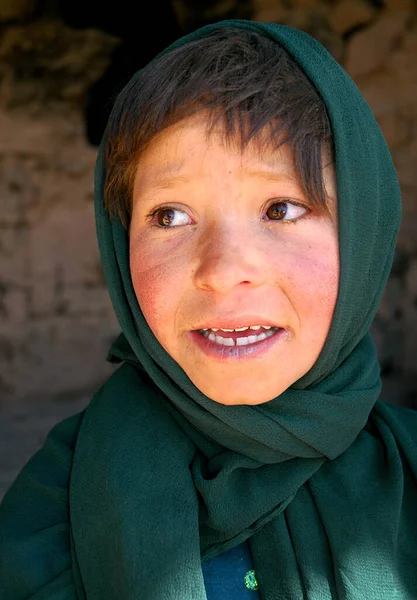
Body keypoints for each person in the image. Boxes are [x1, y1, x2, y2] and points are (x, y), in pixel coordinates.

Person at [1, 19, 416, 600]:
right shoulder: (52, 508)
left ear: (364, 233)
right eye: (170, 216)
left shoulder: (410, 473)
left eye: (280, 208)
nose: (221, 271)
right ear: (121, 246)